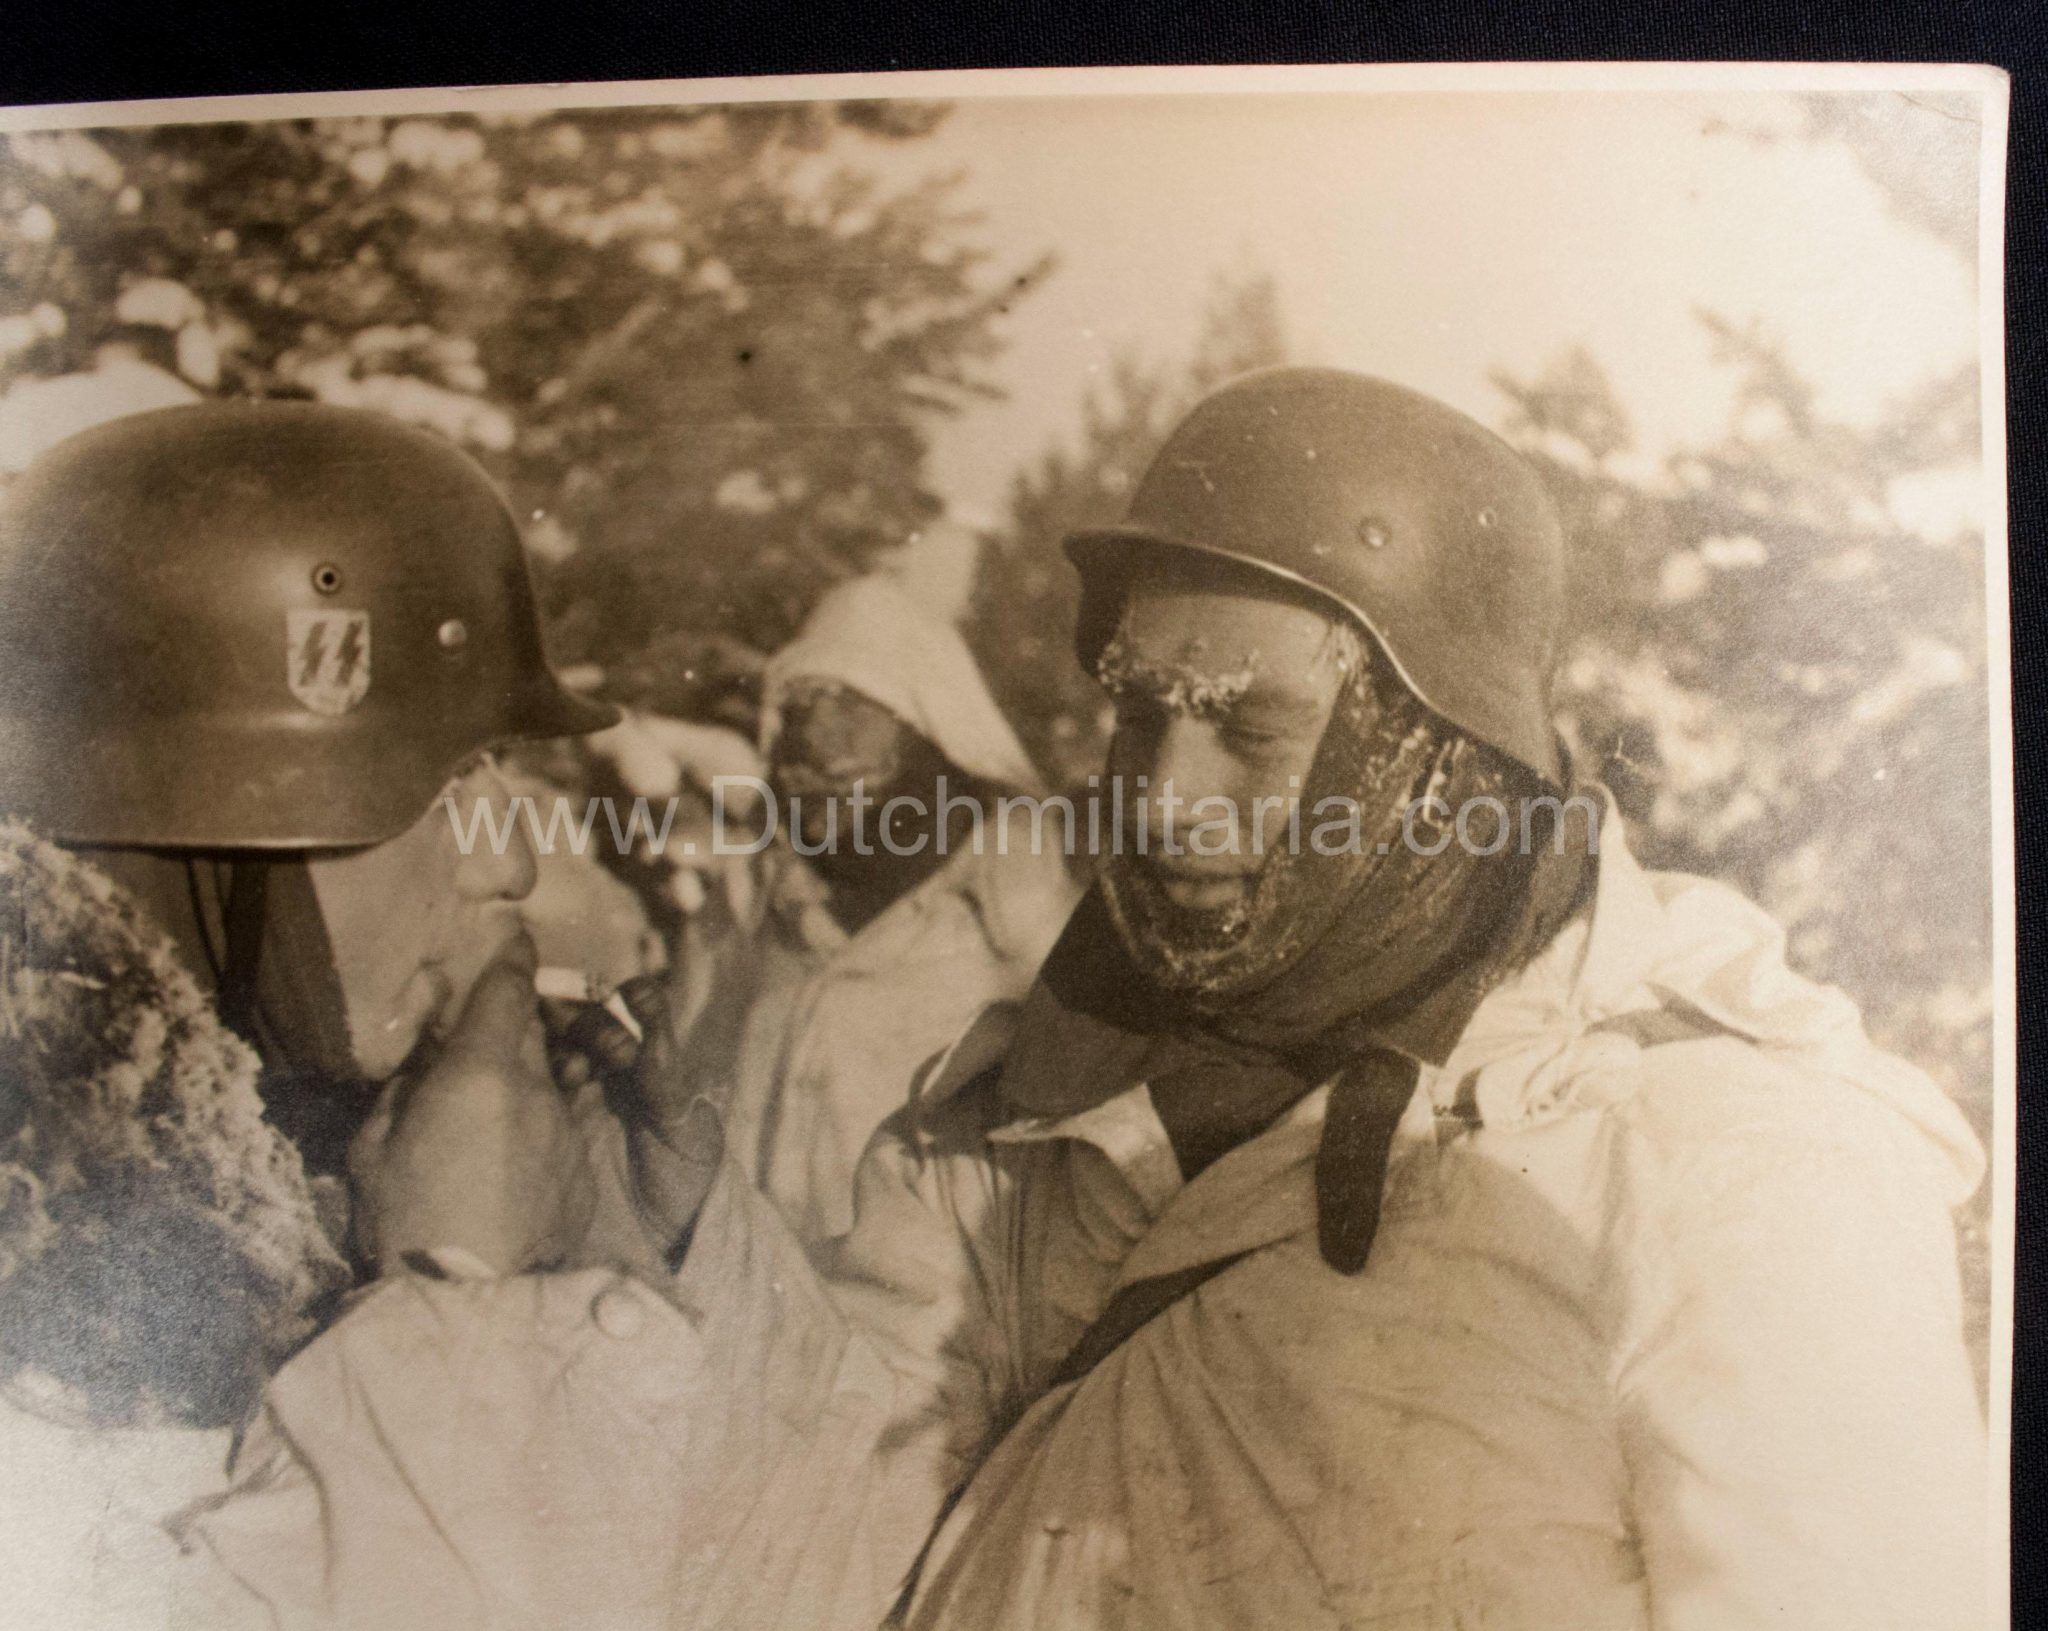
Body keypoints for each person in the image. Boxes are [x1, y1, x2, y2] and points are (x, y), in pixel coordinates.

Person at [184, 369, 1986, 1630]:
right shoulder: (1061, 1092)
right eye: (1137, 710)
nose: (1165, 795)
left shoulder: (1729, 1157)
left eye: (1253, 727)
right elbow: (849, 1529)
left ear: (1445, 747)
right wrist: (661, 1242)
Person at [0, 400, 631, 1627]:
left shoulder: (262, 1189)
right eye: (449, 779)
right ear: (209, 820)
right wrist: (453, 1325)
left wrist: (644, 1260)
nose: (509, 870)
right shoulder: (45, 1309)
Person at [723, 572, 1081, 1248]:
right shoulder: (770, 887)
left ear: (918, 722)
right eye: (801, 702)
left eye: (853, 703)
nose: (818, 732)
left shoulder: (1005, 871)